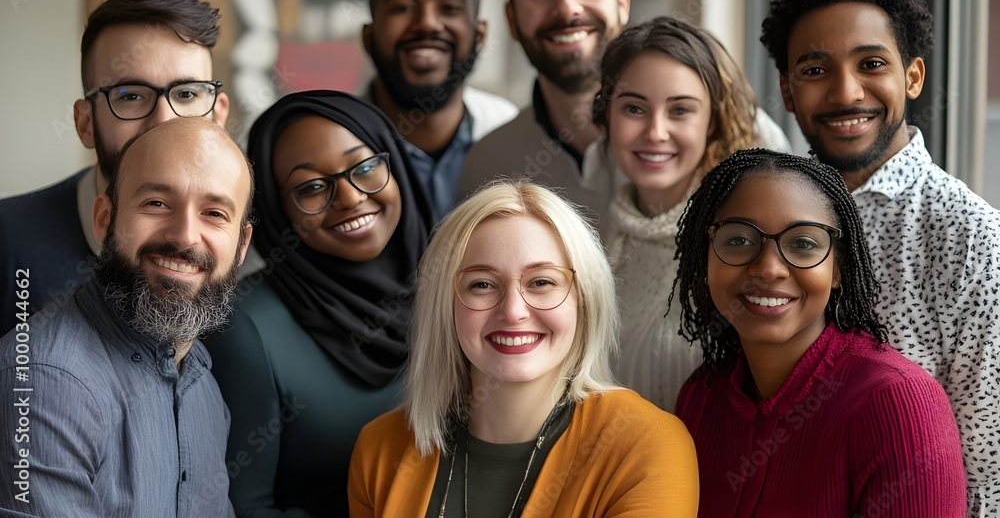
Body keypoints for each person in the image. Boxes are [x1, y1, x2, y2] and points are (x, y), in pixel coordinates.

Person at [759, 0, 1000, 513]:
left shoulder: (970, 238)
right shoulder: (766, 217)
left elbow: (989, 473)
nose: (846, 92)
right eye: (815, 69)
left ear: (912, 77)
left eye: (871, 64)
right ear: (787, 90)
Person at [348, 180, 698, 517]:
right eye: (481, 284)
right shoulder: (379, 448)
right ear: (445, 306)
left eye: (541, 282)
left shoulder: (648, 446)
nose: (513, 311)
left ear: (584, 300)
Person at [671, 149, 966, 516]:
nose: (769, 268)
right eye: (739, 239)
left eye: (803, 243)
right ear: (706, 258)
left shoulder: (899, 402)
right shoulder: (700, 398)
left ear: (837, 268)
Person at [0, 117, 253, 517]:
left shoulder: (199, 376)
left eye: (215, 213)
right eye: (157, 204)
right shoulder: (44, 381)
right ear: (105, 220)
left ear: (241, 246)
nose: (185, 235)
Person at [203, 90, 435, 516]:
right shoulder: (246, 327)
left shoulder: (460, 287)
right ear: (277, 211)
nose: (349, 198)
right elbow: (246, 510)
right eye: (311, 187)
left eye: (365, 167)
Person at [458, 0, 790, 235]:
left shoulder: (746, 139)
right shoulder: (491, 164)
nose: (567, 7)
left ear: (622, 3)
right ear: (512, 19)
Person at [0, 0, 231, 335]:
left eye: (187, 94)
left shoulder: (243, 253)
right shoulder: (8, 240)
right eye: (131, 96)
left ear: (218, 116)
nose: (164, 123)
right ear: (86, 123)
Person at [592, 16, 760, 412]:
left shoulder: (742, 242)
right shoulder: (599, 238)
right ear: (607, 117)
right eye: (634, 108)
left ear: (713, 122)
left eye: (680, 110)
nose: (656, 132)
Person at [362, 0, 518, 219]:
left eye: (449, 8)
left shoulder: (511, 134)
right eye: (402, 8)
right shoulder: (334, 141)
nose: (427, 23)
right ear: (369, 37)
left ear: (479, 36)